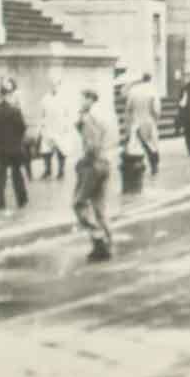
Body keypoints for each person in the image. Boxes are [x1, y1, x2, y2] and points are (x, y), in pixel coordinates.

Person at [73, 87, 114, 261]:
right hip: (105, 162)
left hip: (92, 164)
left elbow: (91, 144)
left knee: (79, 203)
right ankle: (107, 240)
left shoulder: (90, 118)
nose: (80, 101)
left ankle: (98, 240)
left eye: (82, 98)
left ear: (90, 99)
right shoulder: (105, 114)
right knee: (99, 206)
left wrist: (83, 162)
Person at [0, 77, 29, 211]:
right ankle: (21, 199)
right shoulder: (15, 110)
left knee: (0, 176)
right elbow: (22, 127)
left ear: (1, 95)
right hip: (14, 148)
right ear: (9, 94)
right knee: (16, 174)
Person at [123, 71, 161, 175]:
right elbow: (156, 109)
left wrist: (127, 122)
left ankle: (136, 166)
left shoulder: (133, 91)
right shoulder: (153, 91)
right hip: (149, 121)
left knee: (135, 145)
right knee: (151, 145)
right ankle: (154, 165)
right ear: (150, 79)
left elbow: (128, 108)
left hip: (136, 122)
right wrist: (156, 120)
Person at [38, 76, 72, 181]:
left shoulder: (64, 98)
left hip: (60, 127)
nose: (54, 86)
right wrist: (42, 127)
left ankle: (61, 171)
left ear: (59, 85)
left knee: (61, 149)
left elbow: (68, 114)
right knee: (46, 150)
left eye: (56, 84)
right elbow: (42, 114)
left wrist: (66, 126)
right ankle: (48, 170)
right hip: (48, 127)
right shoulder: (44, 99)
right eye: (52, 84)